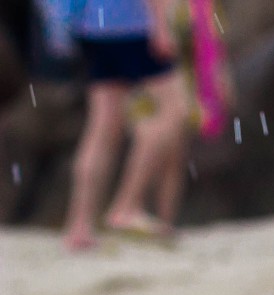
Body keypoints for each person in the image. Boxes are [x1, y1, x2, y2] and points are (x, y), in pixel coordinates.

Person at [43, 0, 190, 250]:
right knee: (175, 111)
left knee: (102, 126)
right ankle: (127, 205)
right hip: (134, 26)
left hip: (93, 28)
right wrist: (162, 27)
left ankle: (79, 226)